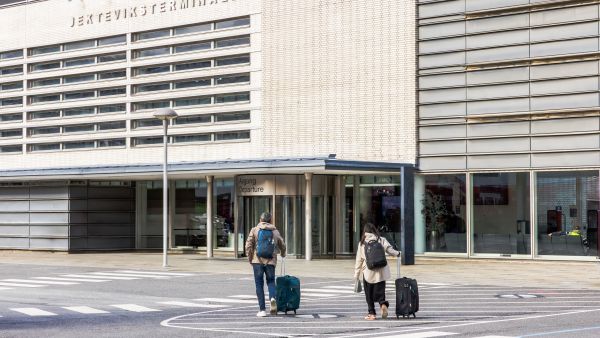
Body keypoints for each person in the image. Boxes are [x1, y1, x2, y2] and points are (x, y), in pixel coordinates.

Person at [353, 222, 400, 320]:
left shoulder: (362, 243)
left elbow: (359, 260)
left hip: (368, 273)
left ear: (364, 232)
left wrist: (356, 275)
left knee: (368, 294)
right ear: (374, 230)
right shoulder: (381, 239)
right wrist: (398, 253)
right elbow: (390, 250)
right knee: (380, 292)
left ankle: (372, 313)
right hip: (381, 272)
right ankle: (383, 304)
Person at [245, 212, 286, 317]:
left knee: (259, 284)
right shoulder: (275, 231)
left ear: (260, 220)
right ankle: (272, 298)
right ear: (270, 221)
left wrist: (250, 258)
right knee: (271, 281)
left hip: (257, 261)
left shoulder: (254, 230)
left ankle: (262, 310)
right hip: (270, 261)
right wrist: (283, 253)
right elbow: (282, 244)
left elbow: (248, 245)